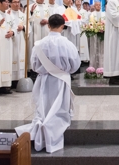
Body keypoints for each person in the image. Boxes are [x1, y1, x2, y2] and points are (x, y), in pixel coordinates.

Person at [15, 14, 81, 153]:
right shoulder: (68, 44)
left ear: (48, 25)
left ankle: (42, 125)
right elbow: (75, 64)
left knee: (44, 106)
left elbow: (33, 65)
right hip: (61, 80)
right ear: (63, 26)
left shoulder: (39, 44)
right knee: (59, 107)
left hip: (43, 79)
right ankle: (53, 129)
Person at [10, 0, 28, 83]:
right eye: (14, 2)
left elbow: (29, 27)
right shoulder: (7, 13)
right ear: (10, 3)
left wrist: (24, 27)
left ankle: (18, 80)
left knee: (19, 56)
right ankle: (10, 79)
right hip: (10, 39)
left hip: (20, 38)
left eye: (18, 2)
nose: (17, 4)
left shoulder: (23, 15)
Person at [88, 1, 105, 68]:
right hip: (94, 34)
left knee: (102, 49)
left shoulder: (104, 14)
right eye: (96, 5)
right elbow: (90, 23)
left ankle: (102, 66)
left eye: (99, 5)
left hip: (102, 33)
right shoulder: (91, 14)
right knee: (94, 49)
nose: (98, 6)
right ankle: (93, 65)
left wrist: (103, 27)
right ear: (94, 6)